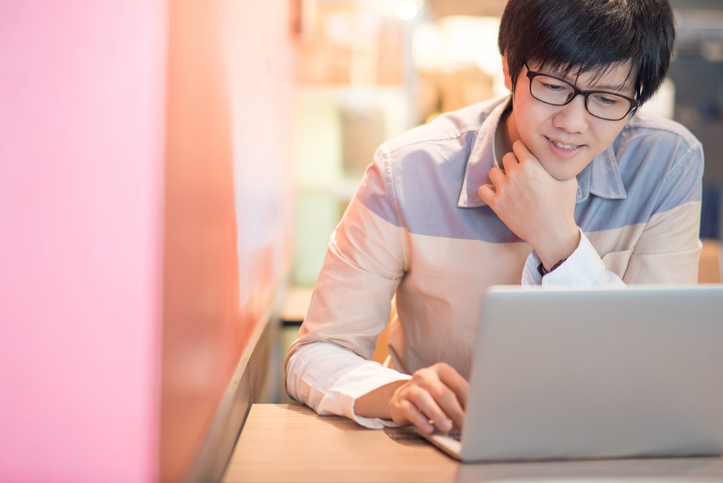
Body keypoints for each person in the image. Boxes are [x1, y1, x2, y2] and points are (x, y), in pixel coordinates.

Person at [286, 0, 704, 436]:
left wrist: (559, 241)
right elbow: (315, 352)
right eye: (554, 85)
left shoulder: (666, 164)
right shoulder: (409, 171)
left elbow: (662, 371)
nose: (574, 122)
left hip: (601, 449)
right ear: (509, 69)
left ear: (638, 97)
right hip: (440, 451)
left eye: (606, 98)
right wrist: (395, 393)